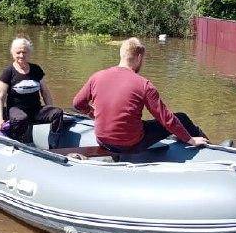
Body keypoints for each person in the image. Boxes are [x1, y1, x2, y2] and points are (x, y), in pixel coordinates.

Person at [72, 37, 208, 152]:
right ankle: (207, 144)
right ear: (139, 57)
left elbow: (77, 103)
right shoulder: (144, 85)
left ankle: (194, 139)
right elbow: (166, 118)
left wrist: (91, 112)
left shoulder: (97, 77)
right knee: (181, 118)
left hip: (102, 141)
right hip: (130, 145)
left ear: (122, 55)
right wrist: (189, 139)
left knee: (141, 122)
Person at [0, 37, 64, 147]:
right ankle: (15, 141)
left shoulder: (36, 69)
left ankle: (53, 143)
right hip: (16, 110)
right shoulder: (8, 72)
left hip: (35, 109)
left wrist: (49, 108)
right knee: (21, 118)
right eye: (18, 52)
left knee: (57, 112)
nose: (21, 55)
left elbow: (45, 92)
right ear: (12, 53)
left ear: (29, 53)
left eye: (24, 52)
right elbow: (0, 97)